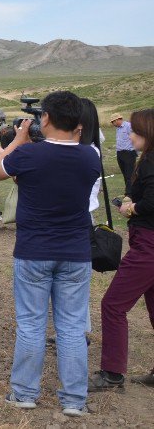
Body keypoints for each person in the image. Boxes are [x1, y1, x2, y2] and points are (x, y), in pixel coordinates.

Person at [0, 91, 100, 417]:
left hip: (34, 252)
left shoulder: (29, 156)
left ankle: (23, 393)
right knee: (72, 327)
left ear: (44, 118)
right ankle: (75, 400)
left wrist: (19, 138)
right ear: (77, 123)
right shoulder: (91, 158)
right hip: (76, 254)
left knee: (32, 325)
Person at [90, 108, 154, 391]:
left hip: (148, 246)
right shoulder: (147, 159)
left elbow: (152, 202)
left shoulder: (151, 161)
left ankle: (112, 373)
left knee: (113, 305)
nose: (129, 134)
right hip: (148, 241)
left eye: (135, 131)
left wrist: (132, 208)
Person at [112, 113, 137, 195]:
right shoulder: (118, 128)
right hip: (120, 153)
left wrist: (133, 149)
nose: (113, 124)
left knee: (129, 174)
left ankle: (130, 193)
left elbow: (135, 137)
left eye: (113, 122)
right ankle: (129, 190)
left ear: (117, 120)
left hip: (129, 153)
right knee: (125, 174)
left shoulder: (128, 126)